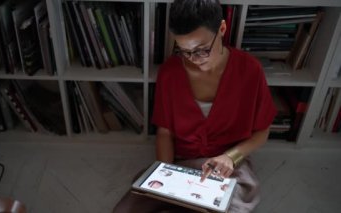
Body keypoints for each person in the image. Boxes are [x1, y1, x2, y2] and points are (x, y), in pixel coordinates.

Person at [113, 0, 276, 212]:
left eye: (202, 50)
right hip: (180, 164)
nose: (194, 59)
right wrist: (166, 174)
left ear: (222, 29)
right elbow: (165, 133)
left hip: (226, 168)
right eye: (184, 51)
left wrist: (231, 157)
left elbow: (262, 131)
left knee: (227, 207)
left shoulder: (249, 71)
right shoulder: (170, 72)